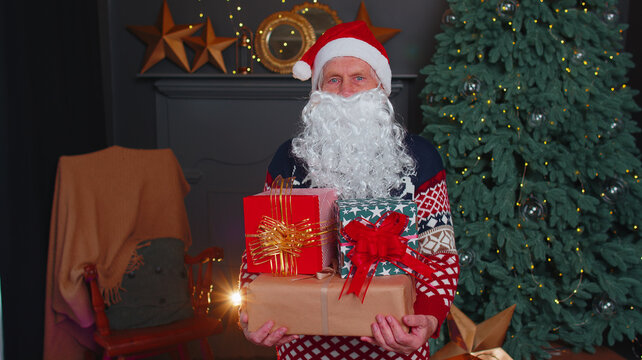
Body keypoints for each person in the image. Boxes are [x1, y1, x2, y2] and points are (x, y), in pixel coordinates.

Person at [239, 21, 459, 359]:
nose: (345, 92)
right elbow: (262, 245)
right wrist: (252, 309)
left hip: (392, 341)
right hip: (301, 341)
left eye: (359, 77)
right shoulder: (289, 157)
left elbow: (439, 252)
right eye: (333, 80)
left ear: (380, 88)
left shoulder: (421, 157)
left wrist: (428, 319)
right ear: (318, 91)